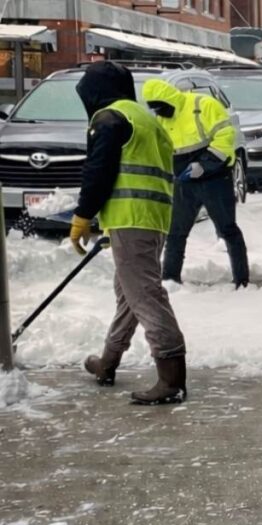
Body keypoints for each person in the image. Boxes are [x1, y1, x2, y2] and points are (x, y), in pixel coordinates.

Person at [71, 61, 188, 405]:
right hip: (152, 218)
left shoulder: (109, 118)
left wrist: (83, 215)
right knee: (129, 295)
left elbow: (99, 170)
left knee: (146, 296)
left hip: (131, 218)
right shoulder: (144, 118)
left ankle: (172, 379)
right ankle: (108, 362)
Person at [141, 79, 250, 288]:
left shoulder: (204, 105)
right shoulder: (162, 119)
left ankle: (242, 280)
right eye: (154, 109)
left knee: (227, 229)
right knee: (176, 232)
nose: (159, 112)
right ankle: (170, 280)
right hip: (184, 182)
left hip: (215, 179)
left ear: (169, 100)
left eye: (160, 107)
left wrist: (204, 164)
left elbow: (225, 136)